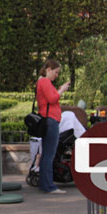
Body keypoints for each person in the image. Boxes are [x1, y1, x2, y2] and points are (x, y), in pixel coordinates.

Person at [36, 59, 70, 194]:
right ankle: (49, 186)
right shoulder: (44, 81)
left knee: (47, 154)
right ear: (48, 69)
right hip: (51, 119)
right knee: (49, 154)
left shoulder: (42, 81)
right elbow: (52, 98)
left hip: (48, 119)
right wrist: (61, 90)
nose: (56, 75)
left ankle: (45, 184)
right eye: (55, 72)